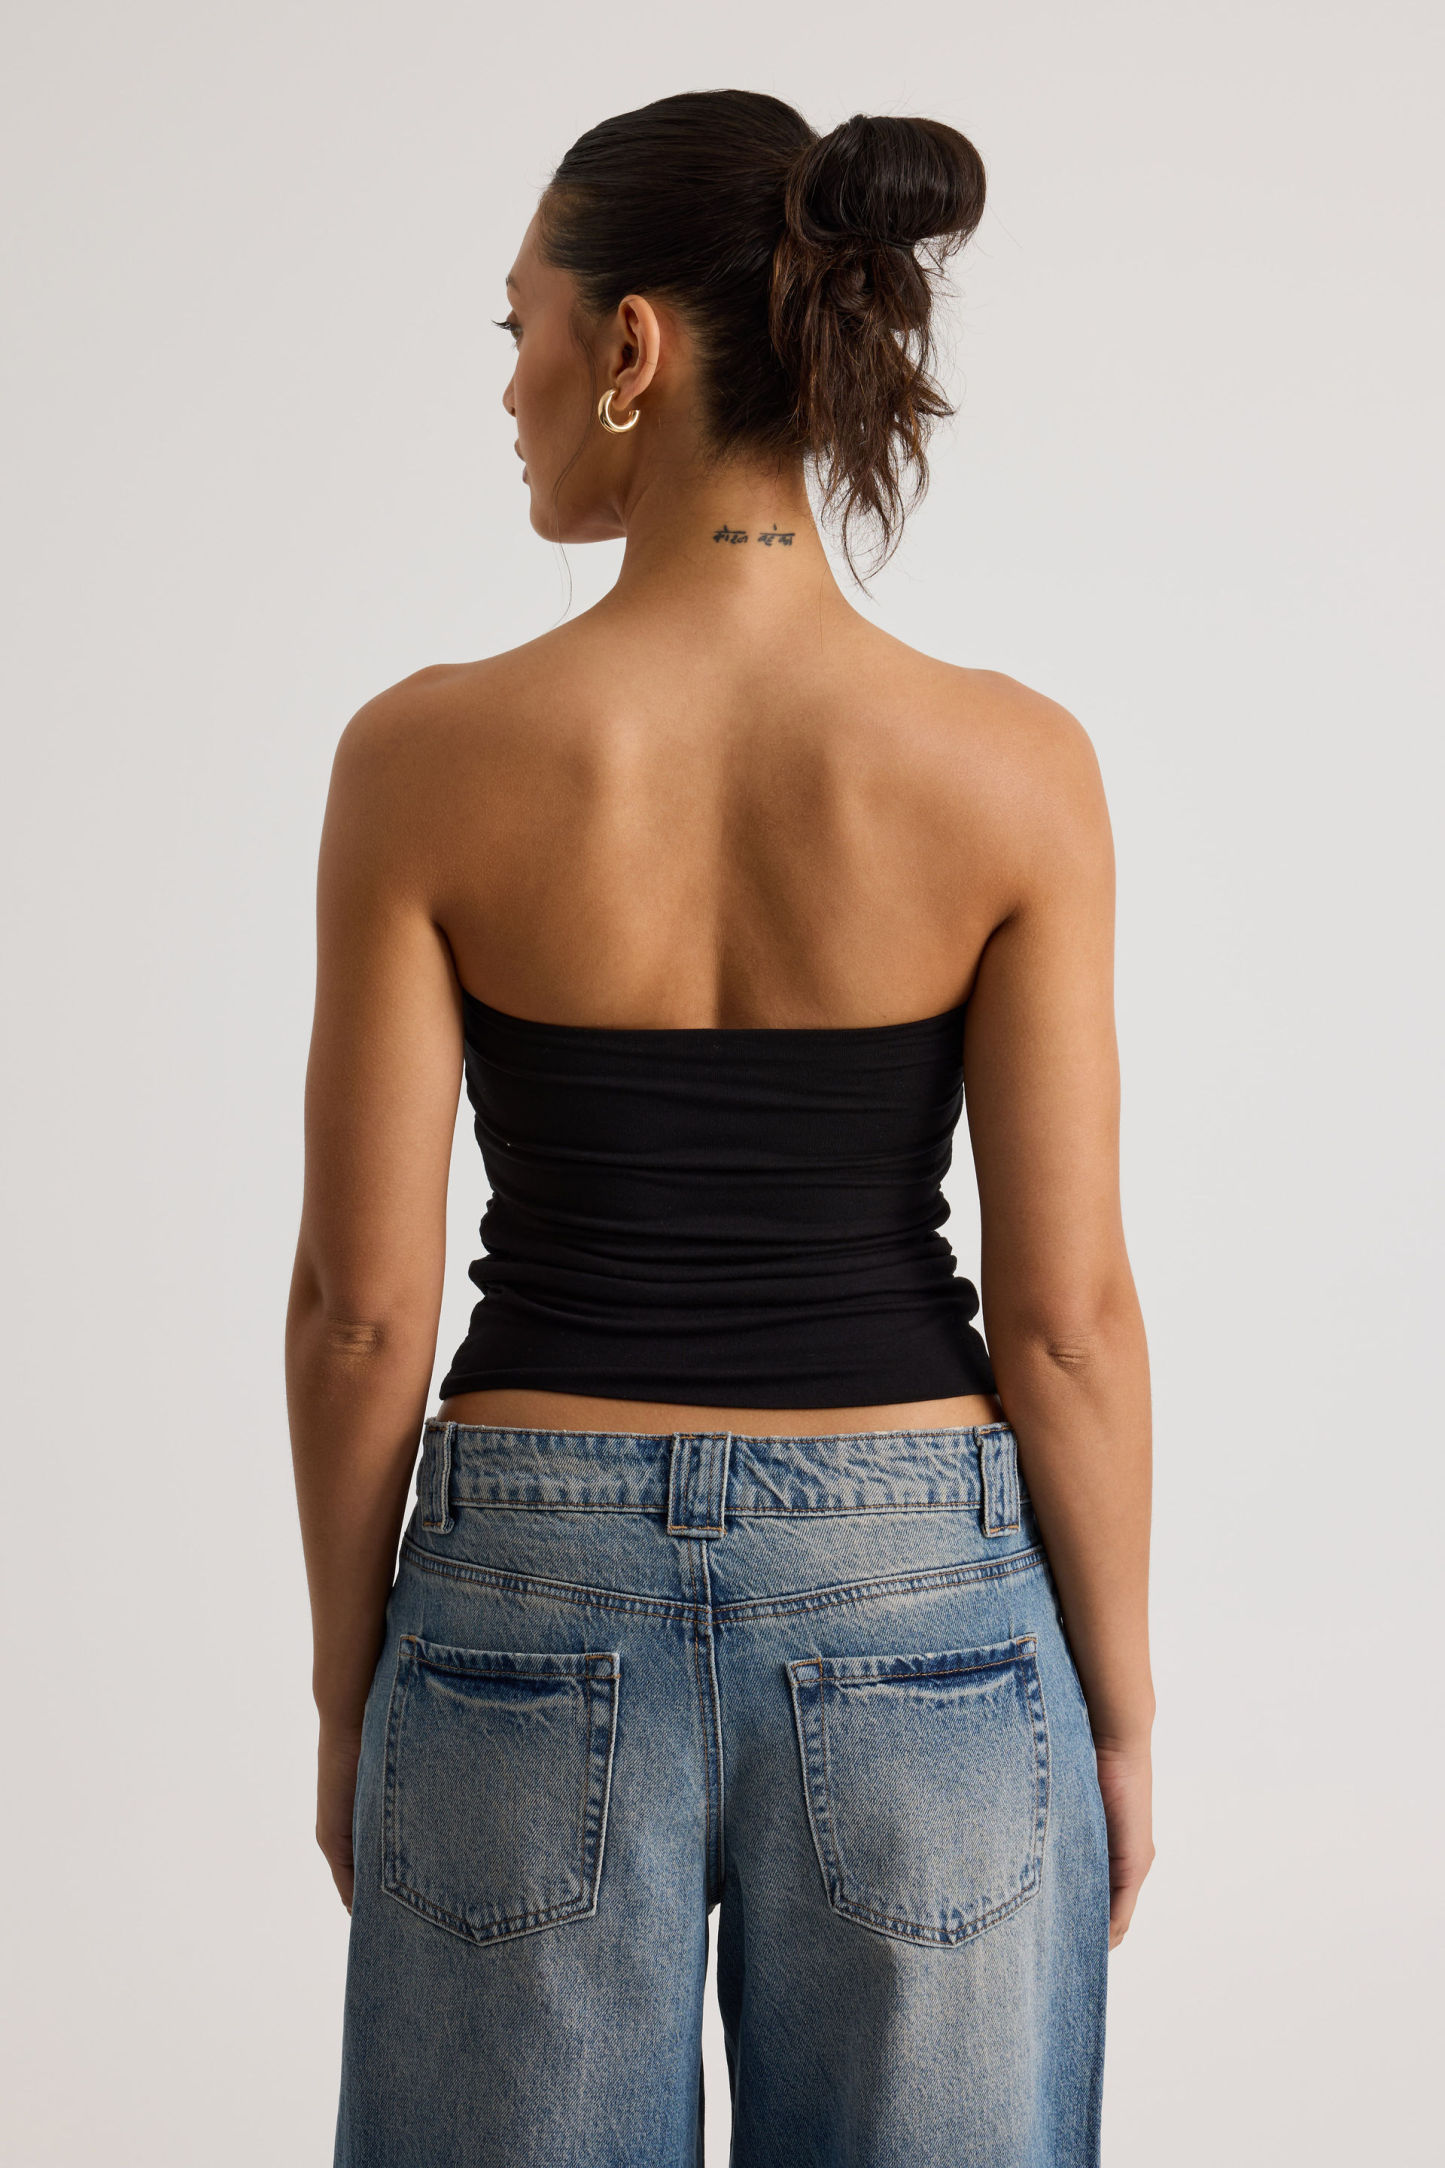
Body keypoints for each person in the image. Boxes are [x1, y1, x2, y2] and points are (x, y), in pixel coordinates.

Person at [286, 88, 1155, 2168]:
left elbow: (359, 1314)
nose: (505, 384)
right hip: (920, 1596)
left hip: (519, 1592)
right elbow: (1067, 1325)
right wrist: (1116, 1707)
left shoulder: (424, 759)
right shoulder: (1012, 766)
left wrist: (350, 1688)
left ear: (631, 347)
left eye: (516, 323)